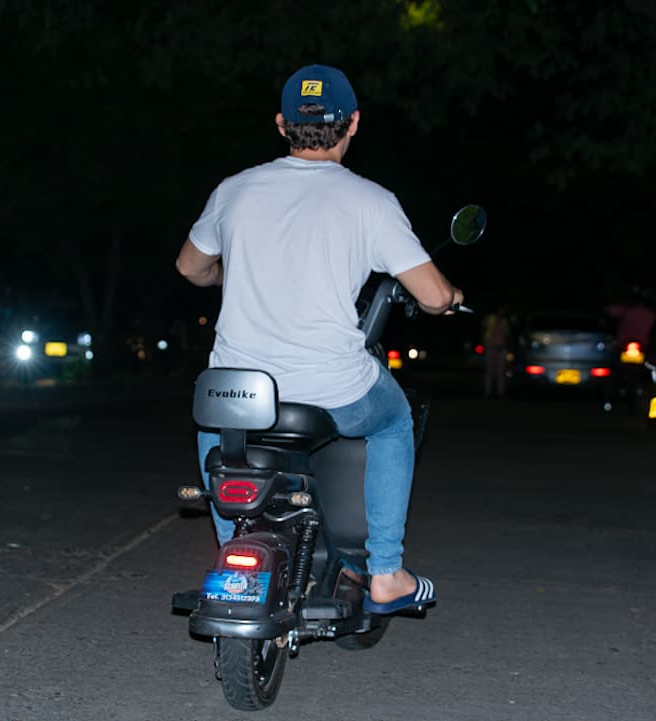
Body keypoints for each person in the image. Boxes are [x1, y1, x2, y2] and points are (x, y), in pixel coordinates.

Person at [175, 63, 463, 614]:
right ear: (353, 123)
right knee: (395, 419)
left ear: (282, 124)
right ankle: (386, 571)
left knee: (216, 425)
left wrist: (224, 276)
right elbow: (429, 295)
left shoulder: (234, 190)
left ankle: (232, 550)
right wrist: (449, 298)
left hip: (240, 391)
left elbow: (190, 267)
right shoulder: (371, 201)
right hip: (331, 389)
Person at [482, 306, 511, 399]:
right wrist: (484, 342)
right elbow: (483, 329)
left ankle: (501, 393)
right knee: (489, 371)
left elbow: (507, 334)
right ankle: (488, 392)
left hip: (501, 348)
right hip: (491, 346)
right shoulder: (490, 318)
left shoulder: (505, 321)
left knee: (500, 372)